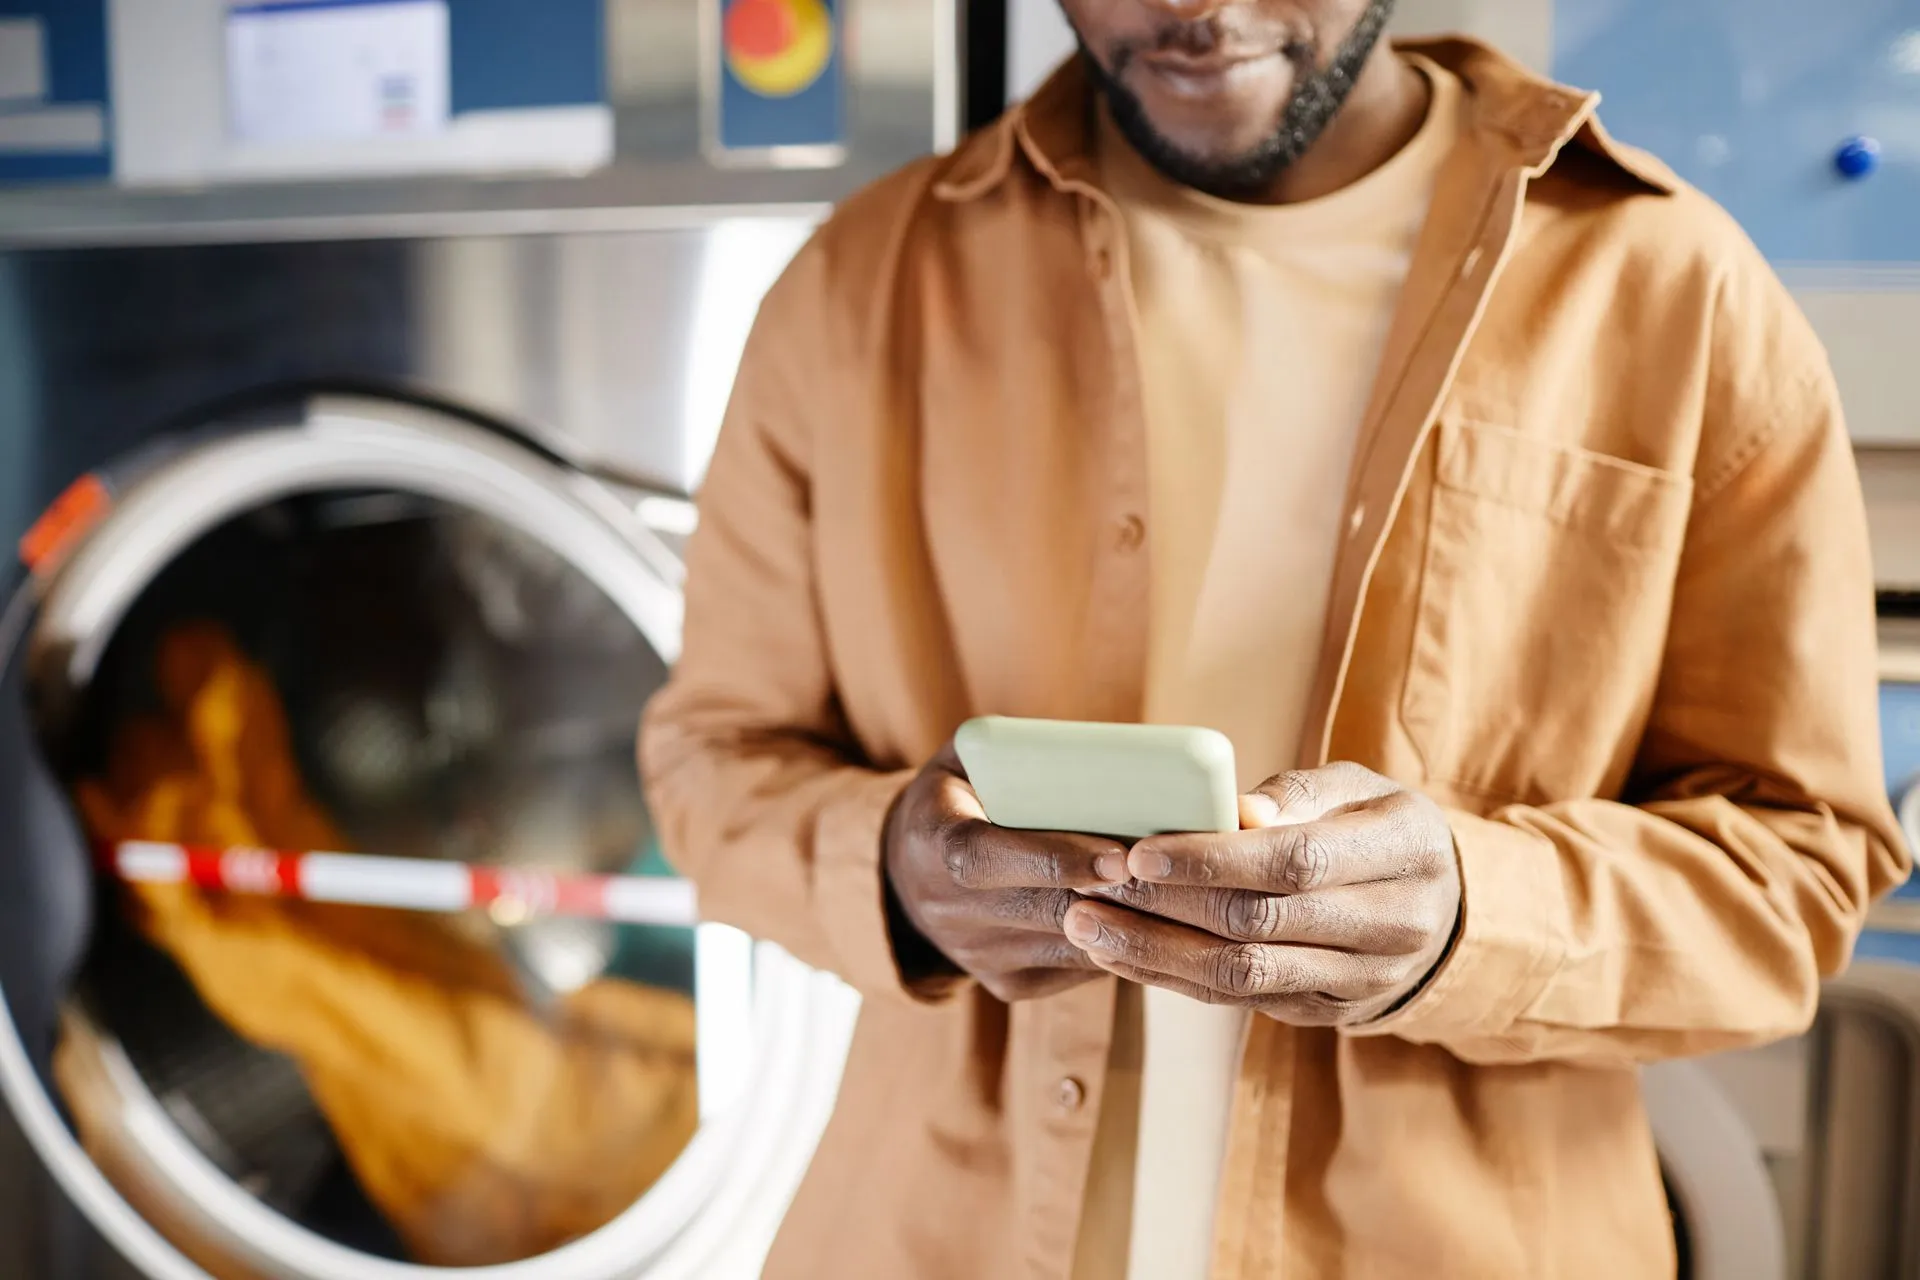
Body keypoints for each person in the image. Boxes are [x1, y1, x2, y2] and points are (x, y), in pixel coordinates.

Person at [641, 0, 1911, 1275]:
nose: (1192, 9)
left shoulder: (1675, 289)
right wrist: (896, 877)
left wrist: (1477, 915)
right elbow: (707, 762)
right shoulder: (859, 281)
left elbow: (1799, 870)